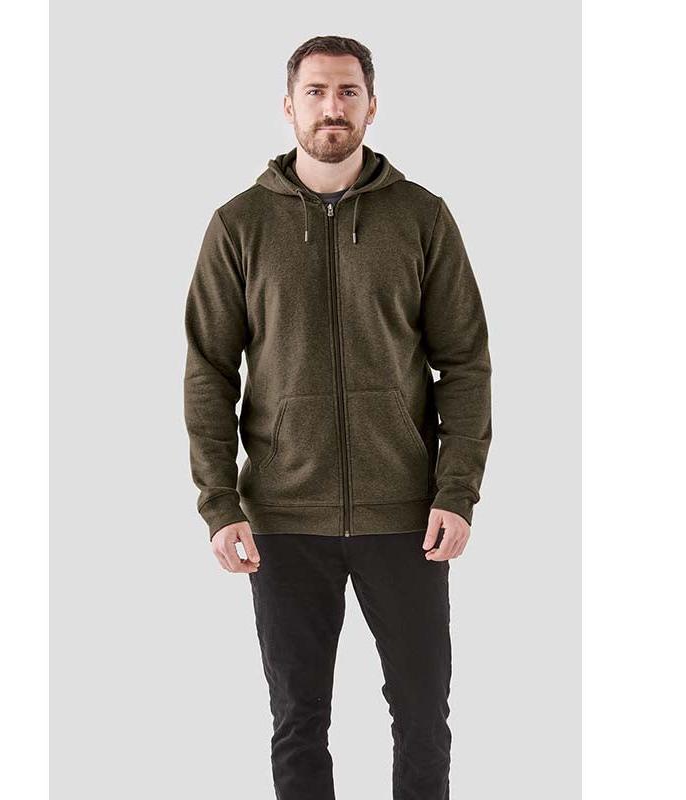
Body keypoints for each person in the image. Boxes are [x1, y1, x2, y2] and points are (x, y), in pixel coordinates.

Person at [184, 34, 492, 800]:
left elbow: (465, 363)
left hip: (407, 516)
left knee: (422, 717)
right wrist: (220, 503)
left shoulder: (422, 218)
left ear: (371, 105)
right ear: (288, 106)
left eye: (348, 91)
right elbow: (209, 371)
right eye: (316, 92)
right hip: (283, 517)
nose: (332, 107)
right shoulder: (239, 224)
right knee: (298, 720)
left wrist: (456, 491)